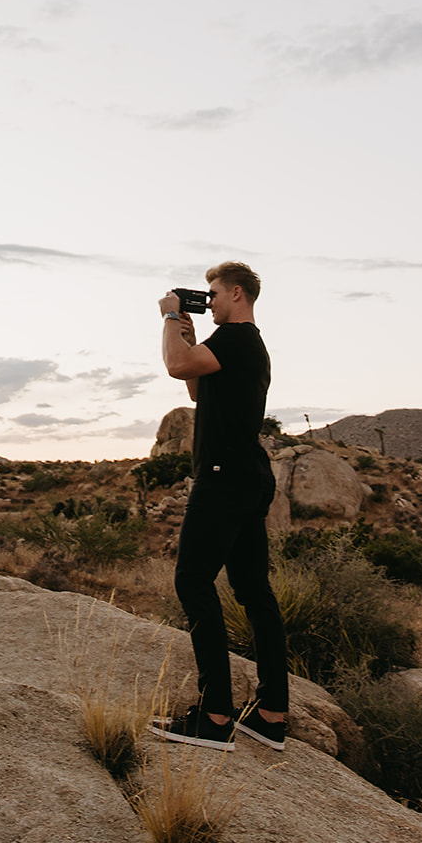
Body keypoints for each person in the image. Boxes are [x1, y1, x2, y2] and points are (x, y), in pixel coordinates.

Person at [153, 261, 287, 749]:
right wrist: (185, 334)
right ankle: (272, 715)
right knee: (254, 592)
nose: (207, 301)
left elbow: (174, 367)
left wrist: (169, 319)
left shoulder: (236, 338)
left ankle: (213, 717)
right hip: (247, 478)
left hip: (223, 478)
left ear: (236, 292)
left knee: (192, 581)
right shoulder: (245, 345)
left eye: (212, 293)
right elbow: (193, 384)